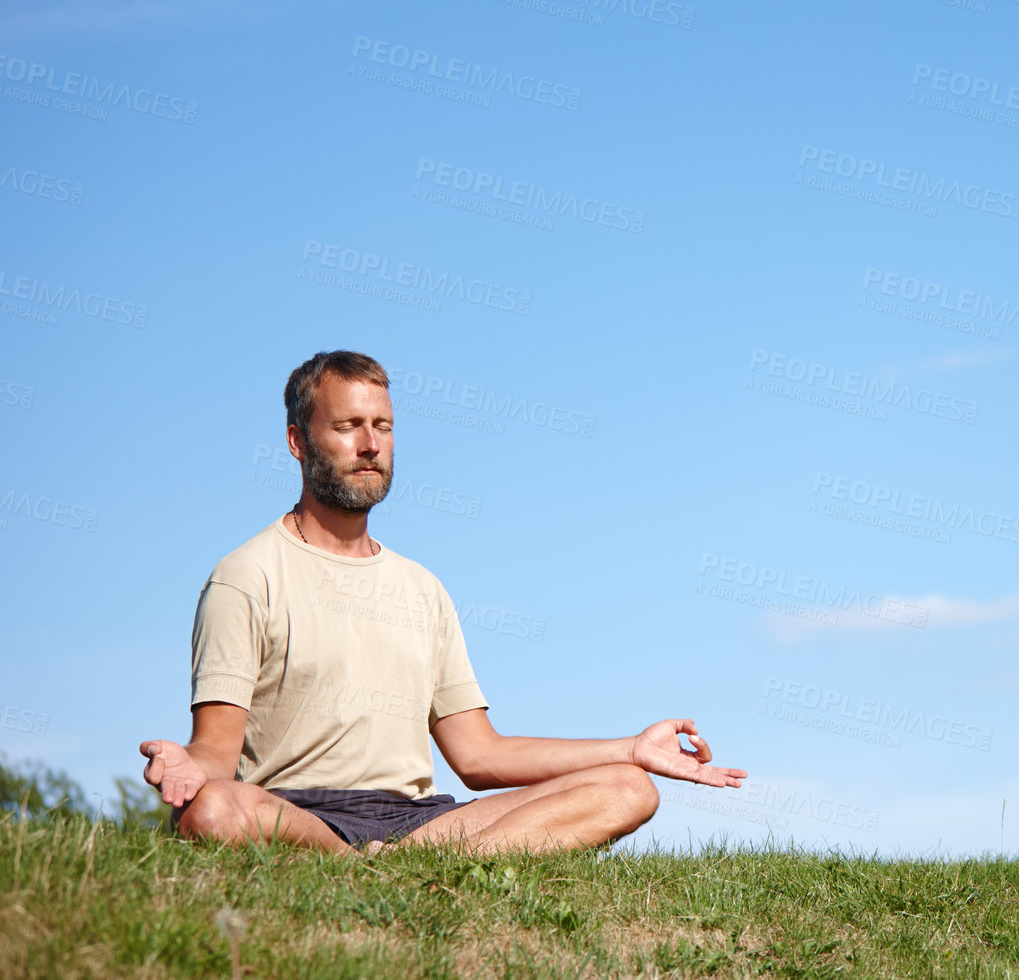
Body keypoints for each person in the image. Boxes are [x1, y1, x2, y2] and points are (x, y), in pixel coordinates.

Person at [137, 350, 744, 853]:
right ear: (298, 441)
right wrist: (190, 766)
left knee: (629, 788)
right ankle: (363, 864)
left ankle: (402, 866)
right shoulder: (246, 575)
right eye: (347, 427)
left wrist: (631, 748)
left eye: (383, 426)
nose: (370, 444)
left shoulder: (422, 589)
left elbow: (478, 755)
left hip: (419, 822)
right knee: (214, 809)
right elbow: (216, 747)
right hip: (298, 815)